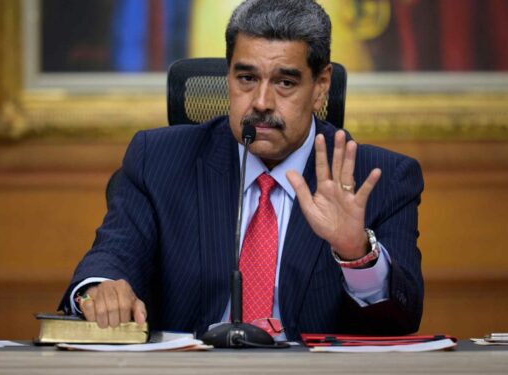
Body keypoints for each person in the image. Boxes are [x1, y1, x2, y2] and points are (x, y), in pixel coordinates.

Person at [59, 0, 423, 341]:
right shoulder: (158, 162)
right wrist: (100, 288)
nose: (261, 103)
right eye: (247, 79)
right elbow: (114, 254)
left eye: (285, 82)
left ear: (320, 86)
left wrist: (355, 254)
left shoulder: (380, 178)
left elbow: (398, 324)